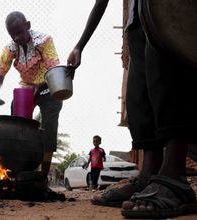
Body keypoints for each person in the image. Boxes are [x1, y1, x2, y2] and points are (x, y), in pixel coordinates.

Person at [68, 0, 197, 218]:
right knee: (139, 93)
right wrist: (80, 45)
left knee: (167, 75)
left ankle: (174, 174)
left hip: (167, 6)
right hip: (137, 17)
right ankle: (149, 173)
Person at [0, 11, 61, 176]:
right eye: (12, 34)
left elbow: (54, 71)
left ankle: (43, 175)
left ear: (28, 26)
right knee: (18, 126)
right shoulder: (10, 49)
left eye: (19, 32)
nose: (16, 38)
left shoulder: (44, 40)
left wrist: (38, 89)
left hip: (49, 86)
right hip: (26, 88)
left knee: (49, 128)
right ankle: (18, 169)